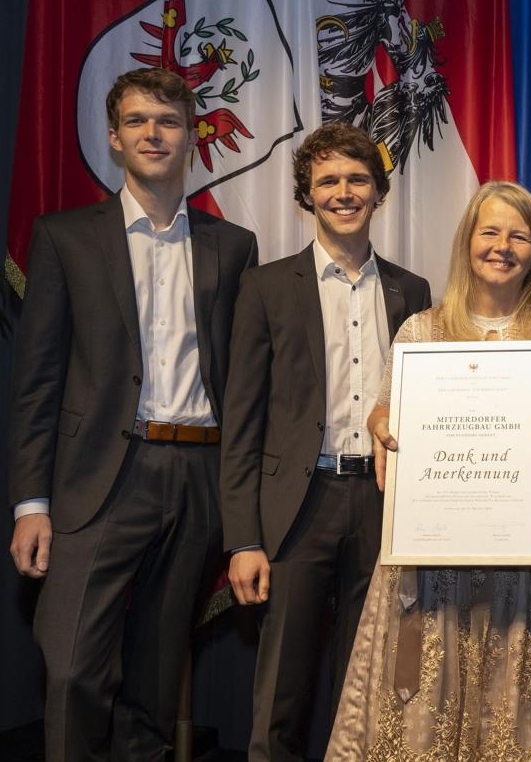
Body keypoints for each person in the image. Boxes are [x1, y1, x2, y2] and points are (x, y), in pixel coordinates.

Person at [7, 67, 258, 760]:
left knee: (153, 685)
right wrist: (31, 502)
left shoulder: (232, 248)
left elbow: (242, 383)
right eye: (139, 121)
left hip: (197, 479)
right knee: (73, 670)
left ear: (190, 138)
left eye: (169, 121)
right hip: (97, 480)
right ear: (115, 138)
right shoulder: (64, 238)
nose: (154, 133)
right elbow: (36, 383)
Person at [324, 180, 531, 760]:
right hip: (432, 548)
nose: (502, 246)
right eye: (490, 232)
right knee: (424, 691)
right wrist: (379, 422)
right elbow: (385, 407)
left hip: (526, 547)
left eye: (518, 236)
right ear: (467, 243)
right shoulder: (422, 330)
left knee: (514, 698)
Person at [219, 122, 431, 760]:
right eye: (329, 181)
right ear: (307, 196)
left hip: (382, 504)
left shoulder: (412, 291)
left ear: (379, 192)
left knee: (367, 685)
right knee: (281, 693)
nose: (344, 192)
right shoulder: (266, 287)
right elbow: (242, 420)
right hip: (295, 510)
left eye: (357, 180)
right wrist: (243, 540)